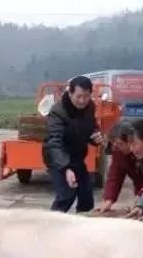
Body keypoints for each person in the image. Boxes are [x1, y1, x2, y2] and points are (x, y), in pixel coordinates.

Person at [42, 75, 104, 213]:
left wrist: (95, 137)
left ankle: (82, 227)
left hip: (76, 157)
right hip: (57, 158)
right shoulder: (58, 112)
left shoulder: (89, 107)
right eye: (79, 96)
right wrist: (66, 168)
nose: (82, 101)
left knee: (86, 195)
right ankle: (50, 227)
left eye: (86, 96)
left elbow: (91, 128)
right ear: (70, 93)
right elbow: (54, 143)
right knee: (67, 195)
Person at [96, 120, 143, 212]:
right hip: (141, 189)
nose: (117, 147)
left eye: (120, 144)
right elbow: (115, 176)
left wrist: (142, 197)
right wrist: (109, 200)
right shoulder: (119, 151)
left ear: (131, 141)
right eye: (115, 144)